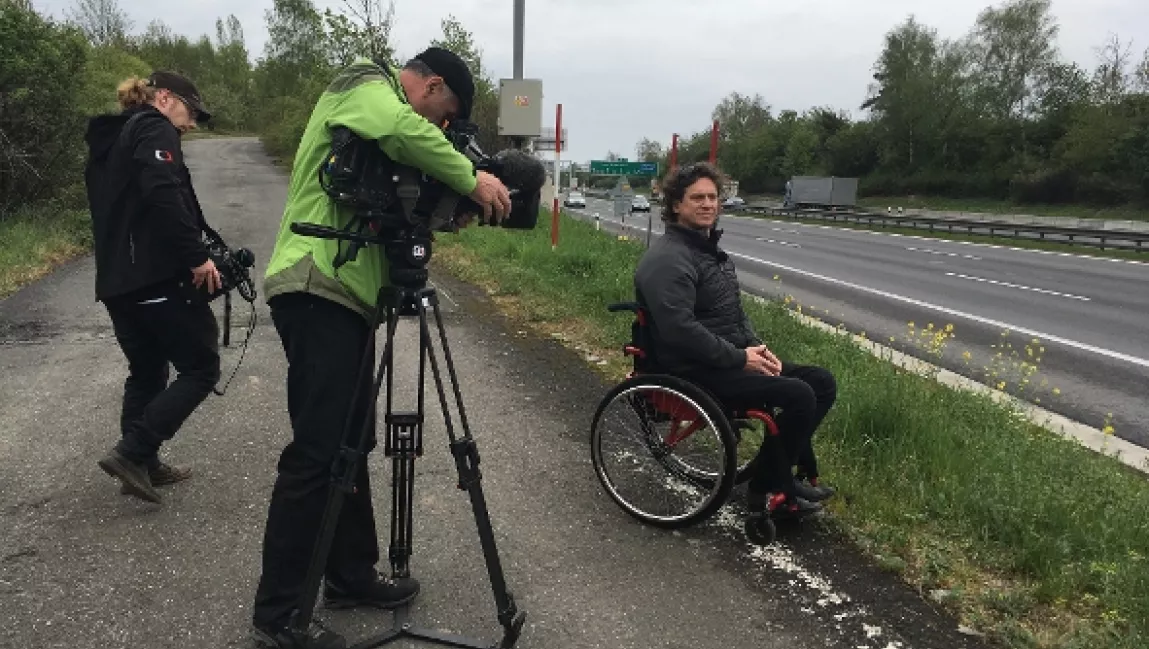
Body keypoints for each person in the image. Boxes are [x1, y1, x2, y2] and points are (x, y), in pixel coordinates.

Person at [251, 48, 512, 649]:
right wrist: (471, 178)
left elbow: (391, 211)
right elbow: (402, 129)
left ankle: (348, 576)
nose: (437, 128)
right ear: (432, 85)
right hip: (316, 283)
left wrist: (441, 212)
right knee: (320, 450)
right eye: (441, 115)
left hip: (347, 297)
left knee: (352, 441)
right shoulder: (365, 85)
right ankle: (277, 614)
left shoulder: (382, 129)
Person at [633, 162, 837, 518]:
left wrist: (759, 349)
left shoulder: (709, 252)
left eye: (712, 197)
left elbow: (733, 313)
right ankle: (767, 489)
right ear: (676, 205)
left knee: (820, 381)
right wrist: (741, 358)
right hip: (692, 368)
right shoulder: (669, 259)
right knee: (799, 395)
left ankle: (776, 472)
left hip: (727, 357)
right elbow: (680, 330)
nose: (707, 204)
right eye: (697, 198)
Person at [83, 71, 222, 505]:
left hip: (116, 281)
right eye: (190, 111)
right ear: (164, 98)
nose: (191, 123)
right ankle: (133, 452)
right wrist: (196, 256)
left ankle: (142, 466)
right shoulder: (153, 127)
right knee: (201, 367)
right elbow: (162, 191)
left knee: (147, 370)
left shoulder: (114, 138)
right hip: (152, 276)